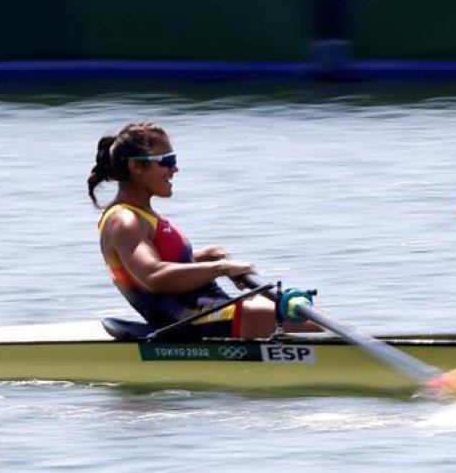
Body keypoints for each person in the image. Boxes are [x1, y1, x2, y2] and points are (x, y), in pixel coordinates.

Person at [88, 122, 314, 339]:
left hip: (205, 309)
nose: (174, 168)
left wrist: (203, 258)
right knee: (313, 325)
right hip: (191, 319)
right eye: (167, 160)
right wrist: (221, 268)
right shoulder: (125, 220)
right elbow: (152, 276)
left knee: (303, 314)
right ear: (136, 166)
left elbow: (153, 265)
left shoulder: (139, 216)